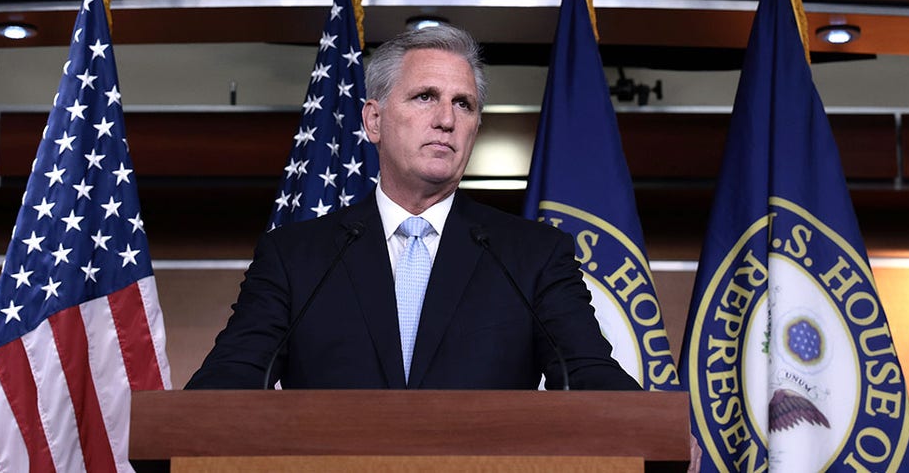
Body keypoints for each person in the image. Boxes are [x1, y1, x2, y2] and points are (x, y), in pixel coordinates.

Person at [186, 25, 640, 391]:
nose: (446, 119)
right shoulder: (295, 258)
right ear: (374, 120)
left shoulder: (533, 255)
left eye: (463, 104)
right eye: (425, 96)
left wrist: (655, 430)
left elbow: (588, 374)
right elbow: (232, 380)